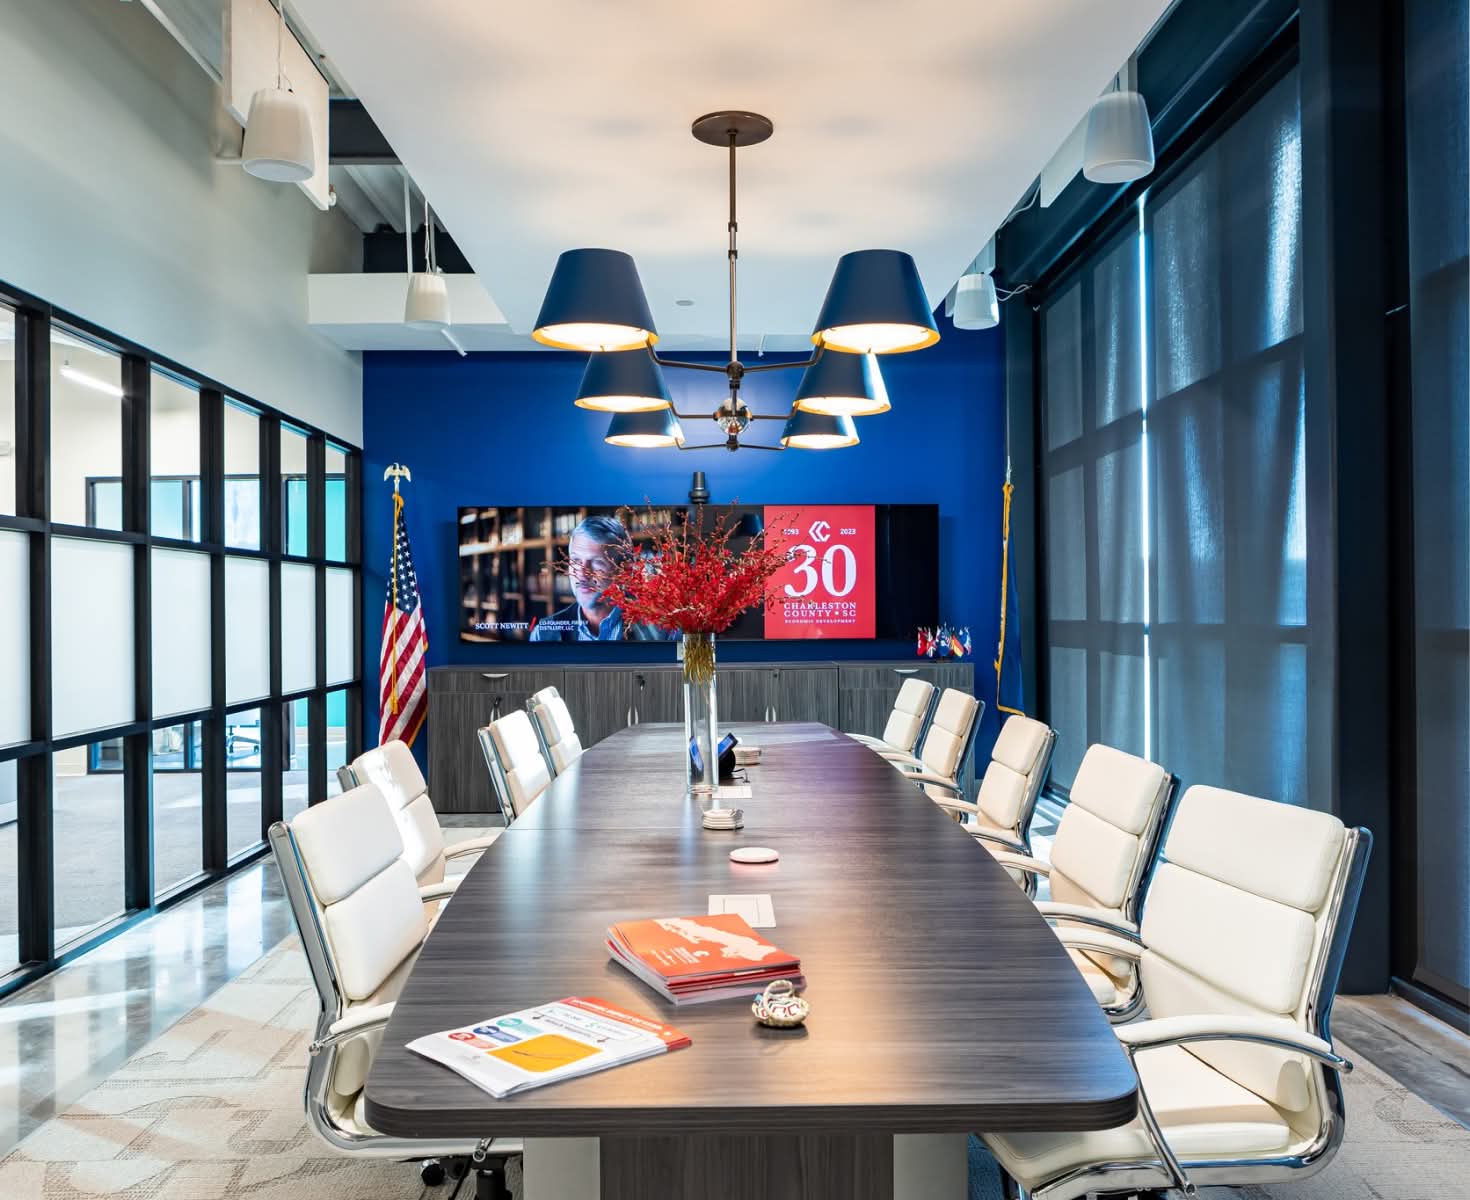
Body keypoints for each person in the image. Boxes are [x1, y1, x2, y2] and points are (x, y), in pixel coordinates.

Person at [529, 514, 672, 641]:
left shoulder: (662, 630)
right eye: (576, 561)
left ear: (625, 571)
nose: (582, 573)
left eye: (597, 563)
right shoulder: (543, 634)